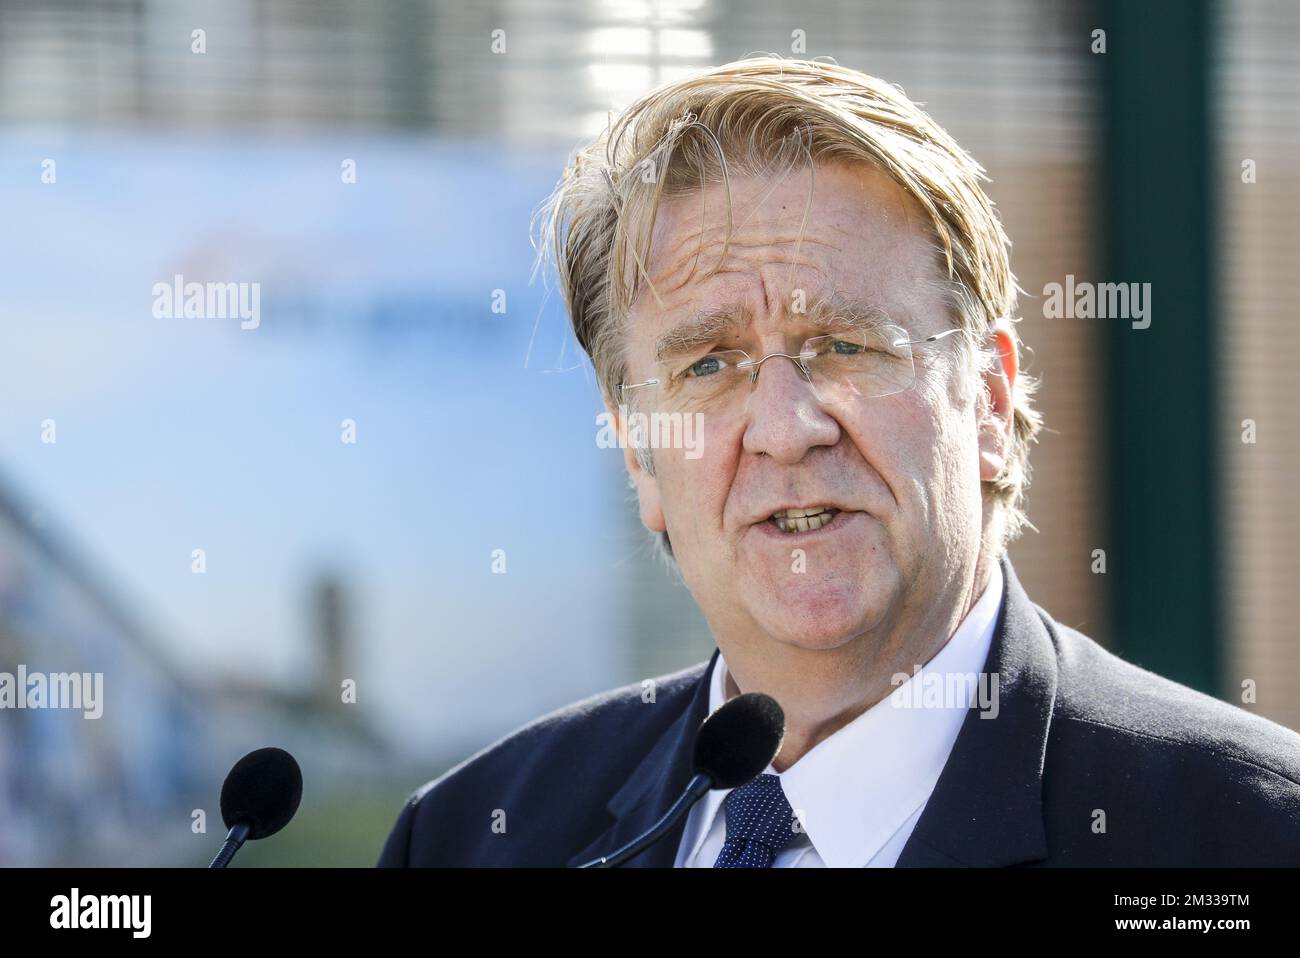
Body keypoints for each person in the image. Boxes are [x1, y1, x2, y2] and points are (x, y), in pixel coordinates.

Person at [378, 57, 1300, 867]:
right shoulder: (473, 837)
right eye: (709, 365)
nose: (786, 427)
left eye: (845, 345)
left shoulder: (1245, 837)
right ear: (641, 458)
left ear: (986, 399)